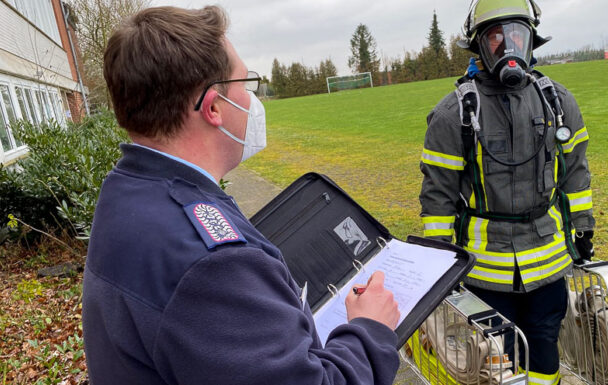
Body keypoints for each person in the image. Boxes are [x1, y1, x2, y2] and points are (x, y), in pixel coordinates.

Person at [82, 6, 400, 384]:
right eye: (245, 85)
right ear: (214, 106)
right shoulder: (212, 264)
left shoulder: (129, 189)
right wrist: (369, 329)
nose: (252, 101)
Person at [419, 1, 595, 384]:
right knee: (496, 358)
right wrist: (439, 261)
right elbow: (438, 196)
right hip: (486, 272)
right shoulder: (453, 115)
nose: (507, 46)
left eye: (517, 34)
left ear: (532, 39)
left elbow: (576, 173)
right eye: (495, 36)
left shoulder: (558, 103)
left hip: (548, 264)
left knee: (546, 344)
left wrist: (583, 227)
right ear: (479, 45)